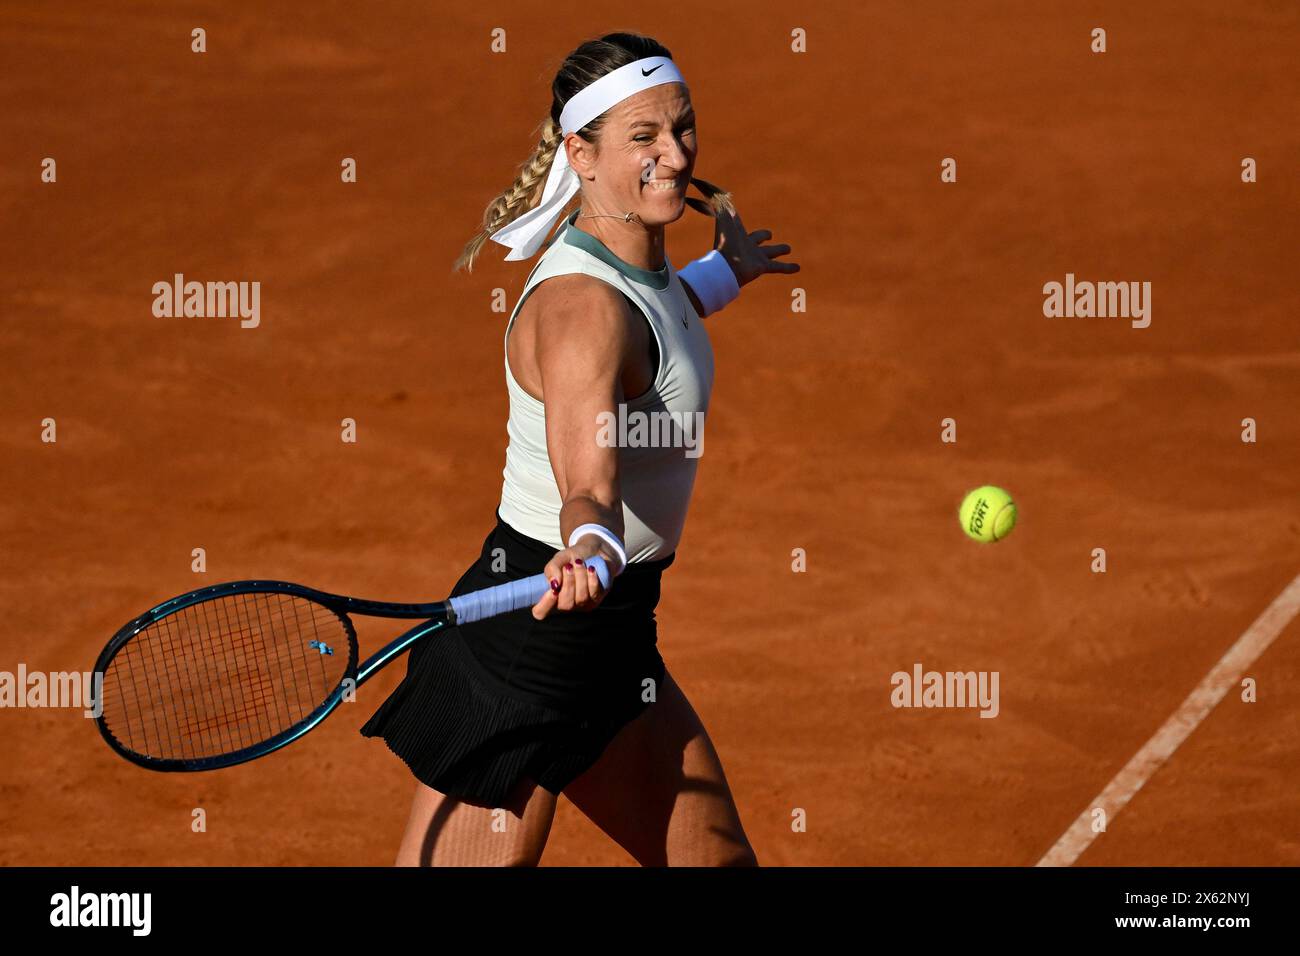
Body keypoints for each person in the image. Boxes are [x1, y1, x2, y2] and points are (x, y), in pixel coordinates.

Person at [361, 31, 798, 867]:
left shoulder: (636, 266)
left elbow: (652, 336)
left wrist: (719, 276)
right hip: (532, 645)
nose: (674, 153)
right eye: (644, 138)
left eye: (683, 127)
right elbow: (587, 476)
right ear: (580, 154)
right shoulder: (580, 313)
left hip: (615, 638)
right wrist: (590, 541)